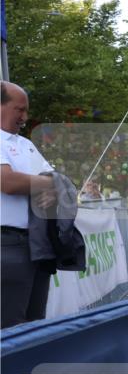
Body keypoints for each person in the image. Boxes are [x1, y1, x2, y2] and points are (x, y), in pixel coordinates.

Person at [1, 81, 57, 328]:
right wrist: (44, 186)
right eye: (19, 109)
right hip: (6, 244)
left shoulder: (26, 145)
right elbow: (8, 182)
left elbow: (57, 182)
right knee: (10, 327)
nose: (25, 117)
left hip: (36, 243)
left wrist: (48, 187)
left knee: (35, 325)